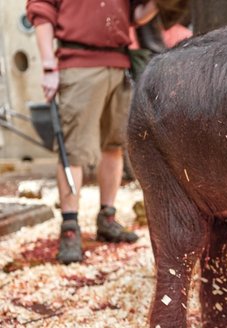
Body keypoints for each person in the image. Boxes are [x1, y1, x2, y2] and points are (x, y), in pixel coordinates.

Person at [26, 0, 158, 264]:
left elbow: (136, 15)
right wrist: (48, 65)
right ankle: (70, 228)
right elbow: (41, 10)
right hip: (78, 65)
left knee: (114, 145)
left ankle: (107, 218)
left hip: (120, 64)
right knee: (74, 151)